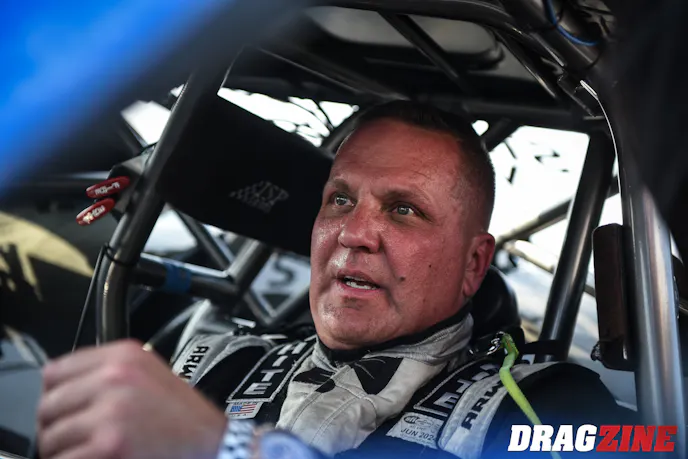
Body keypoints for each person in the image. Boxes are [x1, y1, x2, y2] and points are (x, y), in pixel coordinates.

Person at [36, 101, 631, 459]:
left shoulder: (549, 407)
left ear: (474, 264)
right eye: (341, 200)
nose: (354, 233)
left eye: (404, 209)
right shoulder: (218, 360)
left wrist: (226, 448)